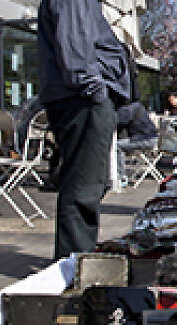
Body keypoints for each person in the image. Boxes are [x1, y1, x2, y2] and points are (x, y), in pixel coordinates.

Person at [38, 0, 131, 260]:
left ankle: (75, 263)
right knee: (83, 189)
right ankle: (73, 269)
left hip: (83, 97)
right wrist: (96, 91)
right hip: (83, 99)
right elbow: (74, 41)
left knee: (88, 185)